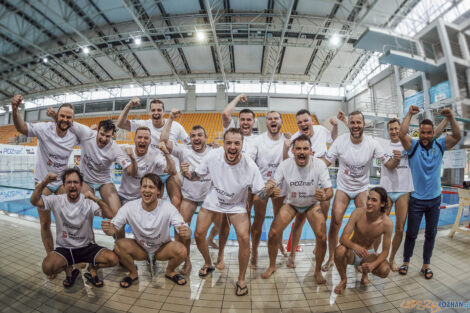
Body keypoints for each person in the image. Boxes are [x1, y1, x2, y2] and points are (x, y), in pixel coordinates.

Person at [181, 128, 266, 296]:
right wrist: (187, 173)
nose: (232, 147)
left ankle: (241, 279)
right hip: (214, 200)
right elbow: (197, 175)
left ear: (242, 144)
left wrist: (269, 190)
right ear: (223, 144)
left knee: (243, 237)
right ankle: (208, 263)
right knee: (198, 234)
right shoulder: (213, 156)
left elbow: (260, 192)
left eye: (236, 143)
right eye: (228, 143)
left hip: (236, 205)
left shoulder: (250, 165)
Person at [11, 95, 79, 278]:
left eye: (69, 117)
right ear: (57, 116)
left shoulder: (73, 136)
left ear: (73, 120)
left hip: (61, 184)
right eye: (62, 116)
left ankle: (69, 256)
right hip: (43, 182)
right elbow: (21, 127)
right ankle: (51, 257)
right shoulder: (44, 129)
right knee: (46, 223)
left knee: (68, 221)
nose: (65, 120)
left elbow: (92, 136)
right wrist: (15, 109)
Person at [321, 111, 397, 272]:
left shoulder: (372, 143)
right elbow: (325, 162)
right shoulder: (340, 142)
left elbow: (389, 164)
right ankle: (331, 257)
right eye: (353, 123)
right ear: (348, 124)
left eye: (358, 123)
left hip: (362, 188)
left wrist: (397, 159)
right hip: (343, 188)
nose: (355, 126)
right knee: (335, 222)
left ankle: (363, 259)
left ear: (363, 124)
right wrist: (308, 162)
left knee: (367, 225)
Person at [45, 113, 139, 240]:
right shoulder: (87, 134)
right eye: (101, 134)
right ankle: (90, 244)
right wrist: (55, 116)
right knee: (84, 215)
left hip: (104, 181)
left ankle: (120, 246)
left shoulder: (115, 149)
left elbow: (130, 171)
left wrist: (132, 159)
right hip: (86, 180)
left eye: (107, 136)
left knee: (118, 216)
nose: (104, 138)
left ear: (112, 136)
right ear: (97, 131)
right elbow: (69, 123)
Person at [398, 105, 461, 279]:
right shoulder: (413, 147)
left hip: (434, 199)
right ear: (419, 133)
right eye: (422, 133)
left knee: (430, 234)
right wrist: (408, 114)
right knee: (411, 233)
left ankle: (426, 265)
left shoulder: (440, 145)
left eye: (428, 133)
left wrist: (452, 118)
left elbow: (457, 136)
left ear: (433, 132)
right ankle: (406, 261)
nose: (425, 136)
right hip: (416, 200)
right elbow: (402, 134)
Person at [261, 135, 333, 283]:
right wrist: (269, 190)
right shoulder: (285, 165)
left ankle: (318, 270)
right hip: (292, 204)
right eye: (298, 148)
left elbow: (330, 190)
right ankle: (272, 265)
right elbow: (271, 184)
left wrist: (325, 195)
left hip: (312, 204)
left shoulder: (319, 165)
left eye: (305, 148)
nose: (302, 151)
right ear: (292, 151)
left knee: (322, 237)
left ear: (311, 151)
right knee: (273, 234)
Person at [30, 169, 118, 288]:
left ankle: (93, 269)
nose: (72, 185)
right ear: (64, 185)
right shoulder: (56, 200)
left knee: (113, 259)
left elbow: (109, 215)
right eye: (69, 182)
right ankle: (69, 271)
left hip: (87, 247)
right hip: (65, 248)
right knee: (48, 268)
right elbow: (34, 201)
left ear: (81, 185)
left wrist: (95, 198)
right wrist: (45, 182)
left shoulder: (88, 201)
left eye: (76, 182)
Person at [102, 173, 192, 287]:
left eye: (151, 187)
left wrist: (188, 232)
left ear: (158, 191)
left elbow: (182, 227)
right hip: (141, 249)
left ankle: (170, 271)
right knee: (119, 246)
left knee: (182, 250)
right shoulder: (130, 207)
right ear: (140, 189)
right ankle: (133, 273)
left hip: (161, 249)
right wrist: (109, 230)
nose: (146, 190)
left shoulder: (167, 207)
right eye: (144, 186)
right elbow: (113, 229)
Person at [160, 109, 217, 275]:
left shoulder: (214, 153)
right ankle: (186, 261)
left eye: (200, 135)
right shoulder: (183, 150)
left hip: (209, 199)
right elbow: (163, 141)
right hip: (190, 197)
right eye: (193, 136)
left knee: (211, 230)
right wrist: (170, 118)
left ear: (206, 137)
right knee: (182, 230)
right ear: (189, 138)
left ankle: (210, 255)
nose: (196, 138)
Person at [284, 109, 339, 267]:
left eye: (305, 120)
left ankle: (317, 245)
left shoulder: (321, 130)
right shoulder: (295, 138)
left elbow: (333, 137)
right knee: (299, 220)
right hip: (305, 183)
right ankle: (292, 254)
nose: (303, 124)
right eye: (299, 122)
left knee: (323, 218)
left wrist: (335, 126)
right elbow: (289, 161)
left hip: (322, 181)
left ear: (311, 121)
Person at [117, 97, 189, 208]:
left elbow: (189, 144)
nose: (156, 112)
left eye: (159, 110)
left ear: (163, 112)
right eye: (153, 110)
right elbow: (121, 124)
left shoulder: (176, 126)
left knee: (177, 203)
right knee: (153, 207)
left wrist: (207, 146)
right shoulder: (144, 124)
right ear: (150, 112)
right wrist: (129, 105)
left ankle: (178, 225)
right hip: (153, 173)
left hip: (170, 171)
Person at [333, 187, 393, 295]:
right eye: (368, 198)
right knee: (339, 251)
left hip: (368, 255)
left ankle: (364, 274)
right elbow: (343, 238)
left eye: (374, 200)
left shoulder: (387, 223)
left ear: (383, 204)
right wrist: (355, 246)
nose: (369, 202)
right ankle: (343, 279)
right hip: (352, 252)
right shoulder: (358, 213)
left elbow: (385, 252)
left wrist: (372, 265)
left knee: (385, 269)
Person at [250, 111, 287, 268]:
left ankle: (279, 244)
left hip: (280, 186)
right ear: (266, 123)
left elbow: (290, 163)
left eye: (276, 118)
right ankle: (254, 251)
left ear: (281, 122)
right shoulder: (258, 141)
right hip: (262, 186)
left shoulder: (288, 141)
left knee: (280, 219)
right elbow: (250, 162)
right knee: (258, 220)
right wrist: (262, 186)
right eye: (270, 118)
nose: (273, 121)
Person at [376, 118, 414, 271]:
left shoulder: (409, 143)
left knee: (399, 228)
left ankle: (391, 259)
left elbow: (431, 137)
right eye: (391, 129)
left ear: (401, 129)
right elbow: (361, 134)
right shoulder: (383, 144)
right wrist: (345, 120)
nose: (394, 131)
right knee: (379, 226)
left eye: (396, 128)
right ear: (388, 131)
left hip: (403, 190)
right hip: (386, 190)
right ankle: (376, 256)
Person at [118, 126, 176, 205]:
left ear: (150, 141)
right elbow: (132, 172)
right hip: (122, 196)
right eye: (139, 137)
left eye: (146, 138)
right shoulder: (124, 149)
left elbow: (172, 171)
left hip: (141, 199)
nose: (142, 140)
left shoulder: (155, 155)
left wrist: (166, 153)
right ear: (134, 139)